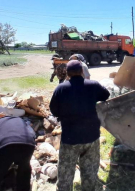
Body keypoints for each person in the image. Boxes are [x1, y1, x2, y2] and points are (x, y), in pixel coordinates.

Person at [50, 60, 110, 191]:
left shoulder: (61, 88)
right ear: (82, 71)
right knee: (89, 171)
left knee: (65, 172)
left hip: (70, 138)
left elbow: (53, 110)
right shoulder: (93, 85)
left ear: (67, 73)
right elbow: (106, 95)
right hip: (91, 136)